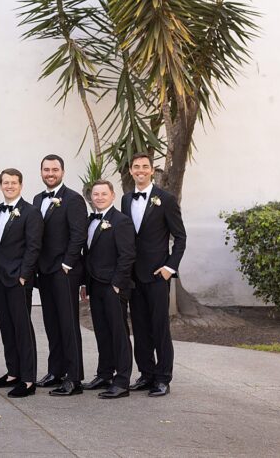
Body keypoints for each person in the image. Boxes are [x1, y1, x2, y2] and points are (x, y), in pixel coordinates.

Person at [123, 153, 186, 397]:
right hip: (134, 275)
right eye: (136, 167)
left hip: (158, 275)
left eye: (144, 166)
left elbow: (180, 237)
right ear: (131, 171)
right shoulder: (126, 200)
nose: (140, 170)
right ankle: (146, 373)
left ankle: (163, 378)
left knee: (160, 328)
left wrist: (170, 268)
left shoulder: (166, 199)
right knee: (139, 327)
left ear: (152, 170)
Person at [32, 155, 88, 397]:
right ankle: (55, 371)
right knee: (51, 323)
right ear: (41, 172)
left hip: (64, 271)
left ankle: (74, 378)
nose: (50, 173)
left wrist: (67, 263)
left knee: (68, 324)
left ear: (62, 172)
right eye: (46, 169)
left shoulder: (73, 199)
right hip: (44, 271)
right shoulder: (37, 199)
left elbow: (79, 235)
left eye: (55, 169)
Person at [0, 168, 42, 398]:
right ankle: (13, 373)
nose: (9, 186)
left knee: (22, 328)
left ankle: (28, 380)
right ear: (0, 185)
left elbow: (33, 246)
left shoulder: (31, 212)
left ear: (21, 185)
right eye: (6, 182)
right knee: (6, 327)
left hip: (18, 279)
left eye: (13, 183)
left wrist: (23, 275)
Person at [83, 180, 136, 399]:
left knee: (118, 333)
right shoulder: (89, 221)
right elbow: (88, 255)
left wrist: (116, 284)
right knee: (102, 331)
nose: (99, 197)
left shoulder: (121, 221)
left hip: (113, 286)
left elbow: (127, 255)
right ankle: (104, 374)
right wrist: (85, 283)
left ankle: (122, 381)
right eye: (96, 194)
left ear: (113, 196)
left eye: (104, 194)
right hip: (94, 284)